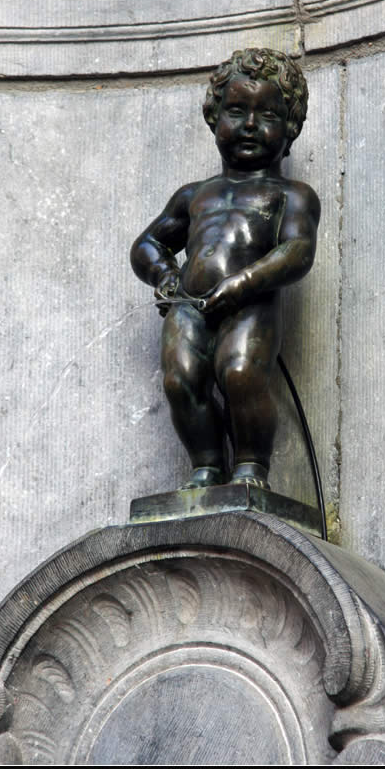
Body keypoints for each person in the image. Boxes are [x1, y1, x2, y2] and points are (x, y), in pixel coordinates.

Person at [131, 48, 320, 490]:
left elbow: (297, 251)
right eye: (237, 110)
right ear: (215, 117)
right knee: (180, 380)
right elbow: (148, 243)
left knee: (240, 373)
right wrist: (164, 274)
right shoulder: (195, 195)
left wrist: (243, 284)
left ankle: (252, 465)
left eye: (267, 114)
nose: (250, 125)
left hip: (250, 303)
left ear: (289, 127)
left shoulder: (292, 195)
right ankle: (207, 465)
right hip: (189, 303)